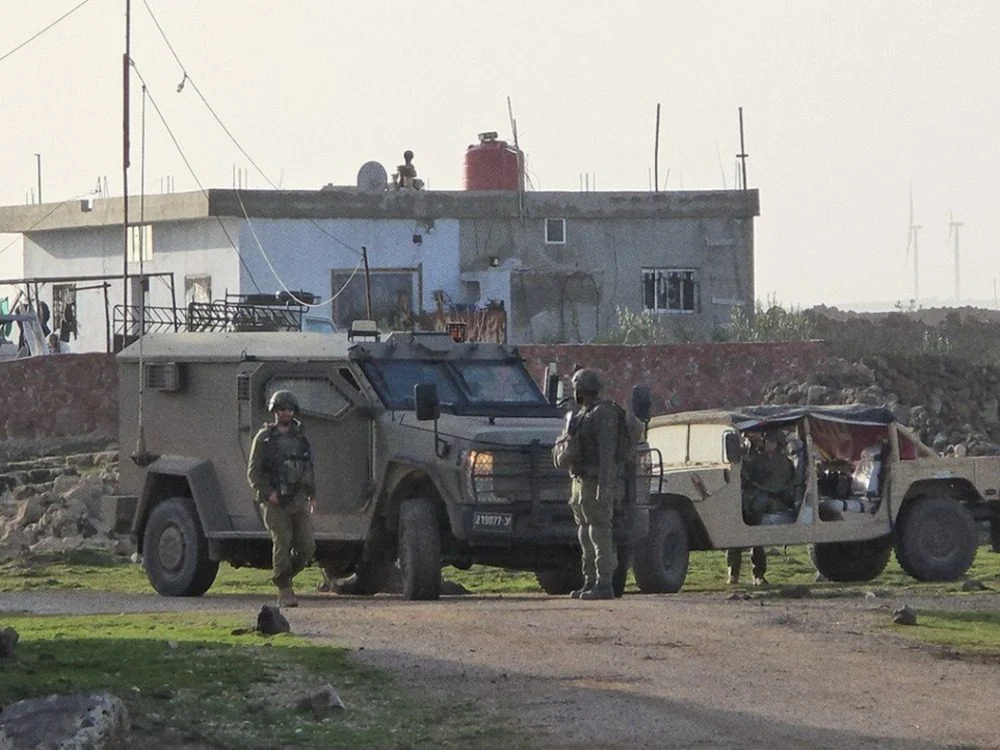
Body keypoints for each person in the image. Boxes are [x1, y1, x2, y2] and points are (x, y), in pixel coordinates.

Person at [247, 390, 316, 608]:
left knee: (307, 547)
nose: (285, 413)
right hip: (275, 502)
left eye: (289, 409)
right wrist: (269, 493)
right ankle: (284, 589)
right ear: (274, 411)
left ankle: (284, 576)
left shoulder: (300, 438)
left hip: (298, 498)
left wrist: (312, 494)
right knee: (283, 541)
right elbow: (253, 473)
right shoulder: (264, 438)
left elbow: (308, 467)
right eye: (281, 409)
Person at [562, 368, 627, 600]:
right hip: (580, 480)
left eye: (576, 387)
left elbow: (607, 453)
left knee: (599, 532)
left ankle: (604, 583)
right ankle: (589, 581)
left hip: (596, 480)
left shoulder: (604, 413)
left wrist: (605, 485)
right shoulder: (582, 414)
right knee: (584, 531)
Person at [728, 429, 796, 586]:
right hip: (752, 499)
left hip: (771, 501)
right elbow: (745, 474)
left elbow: (782, 484)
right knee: (735, 533)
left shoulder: (784, 463)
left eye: (772, 441)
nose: (768, 444)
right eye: (767, 441)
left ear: (778, 444)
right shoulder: (757, 459)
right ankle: (733, 574)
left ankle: (758, 574)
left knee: (756, 536)